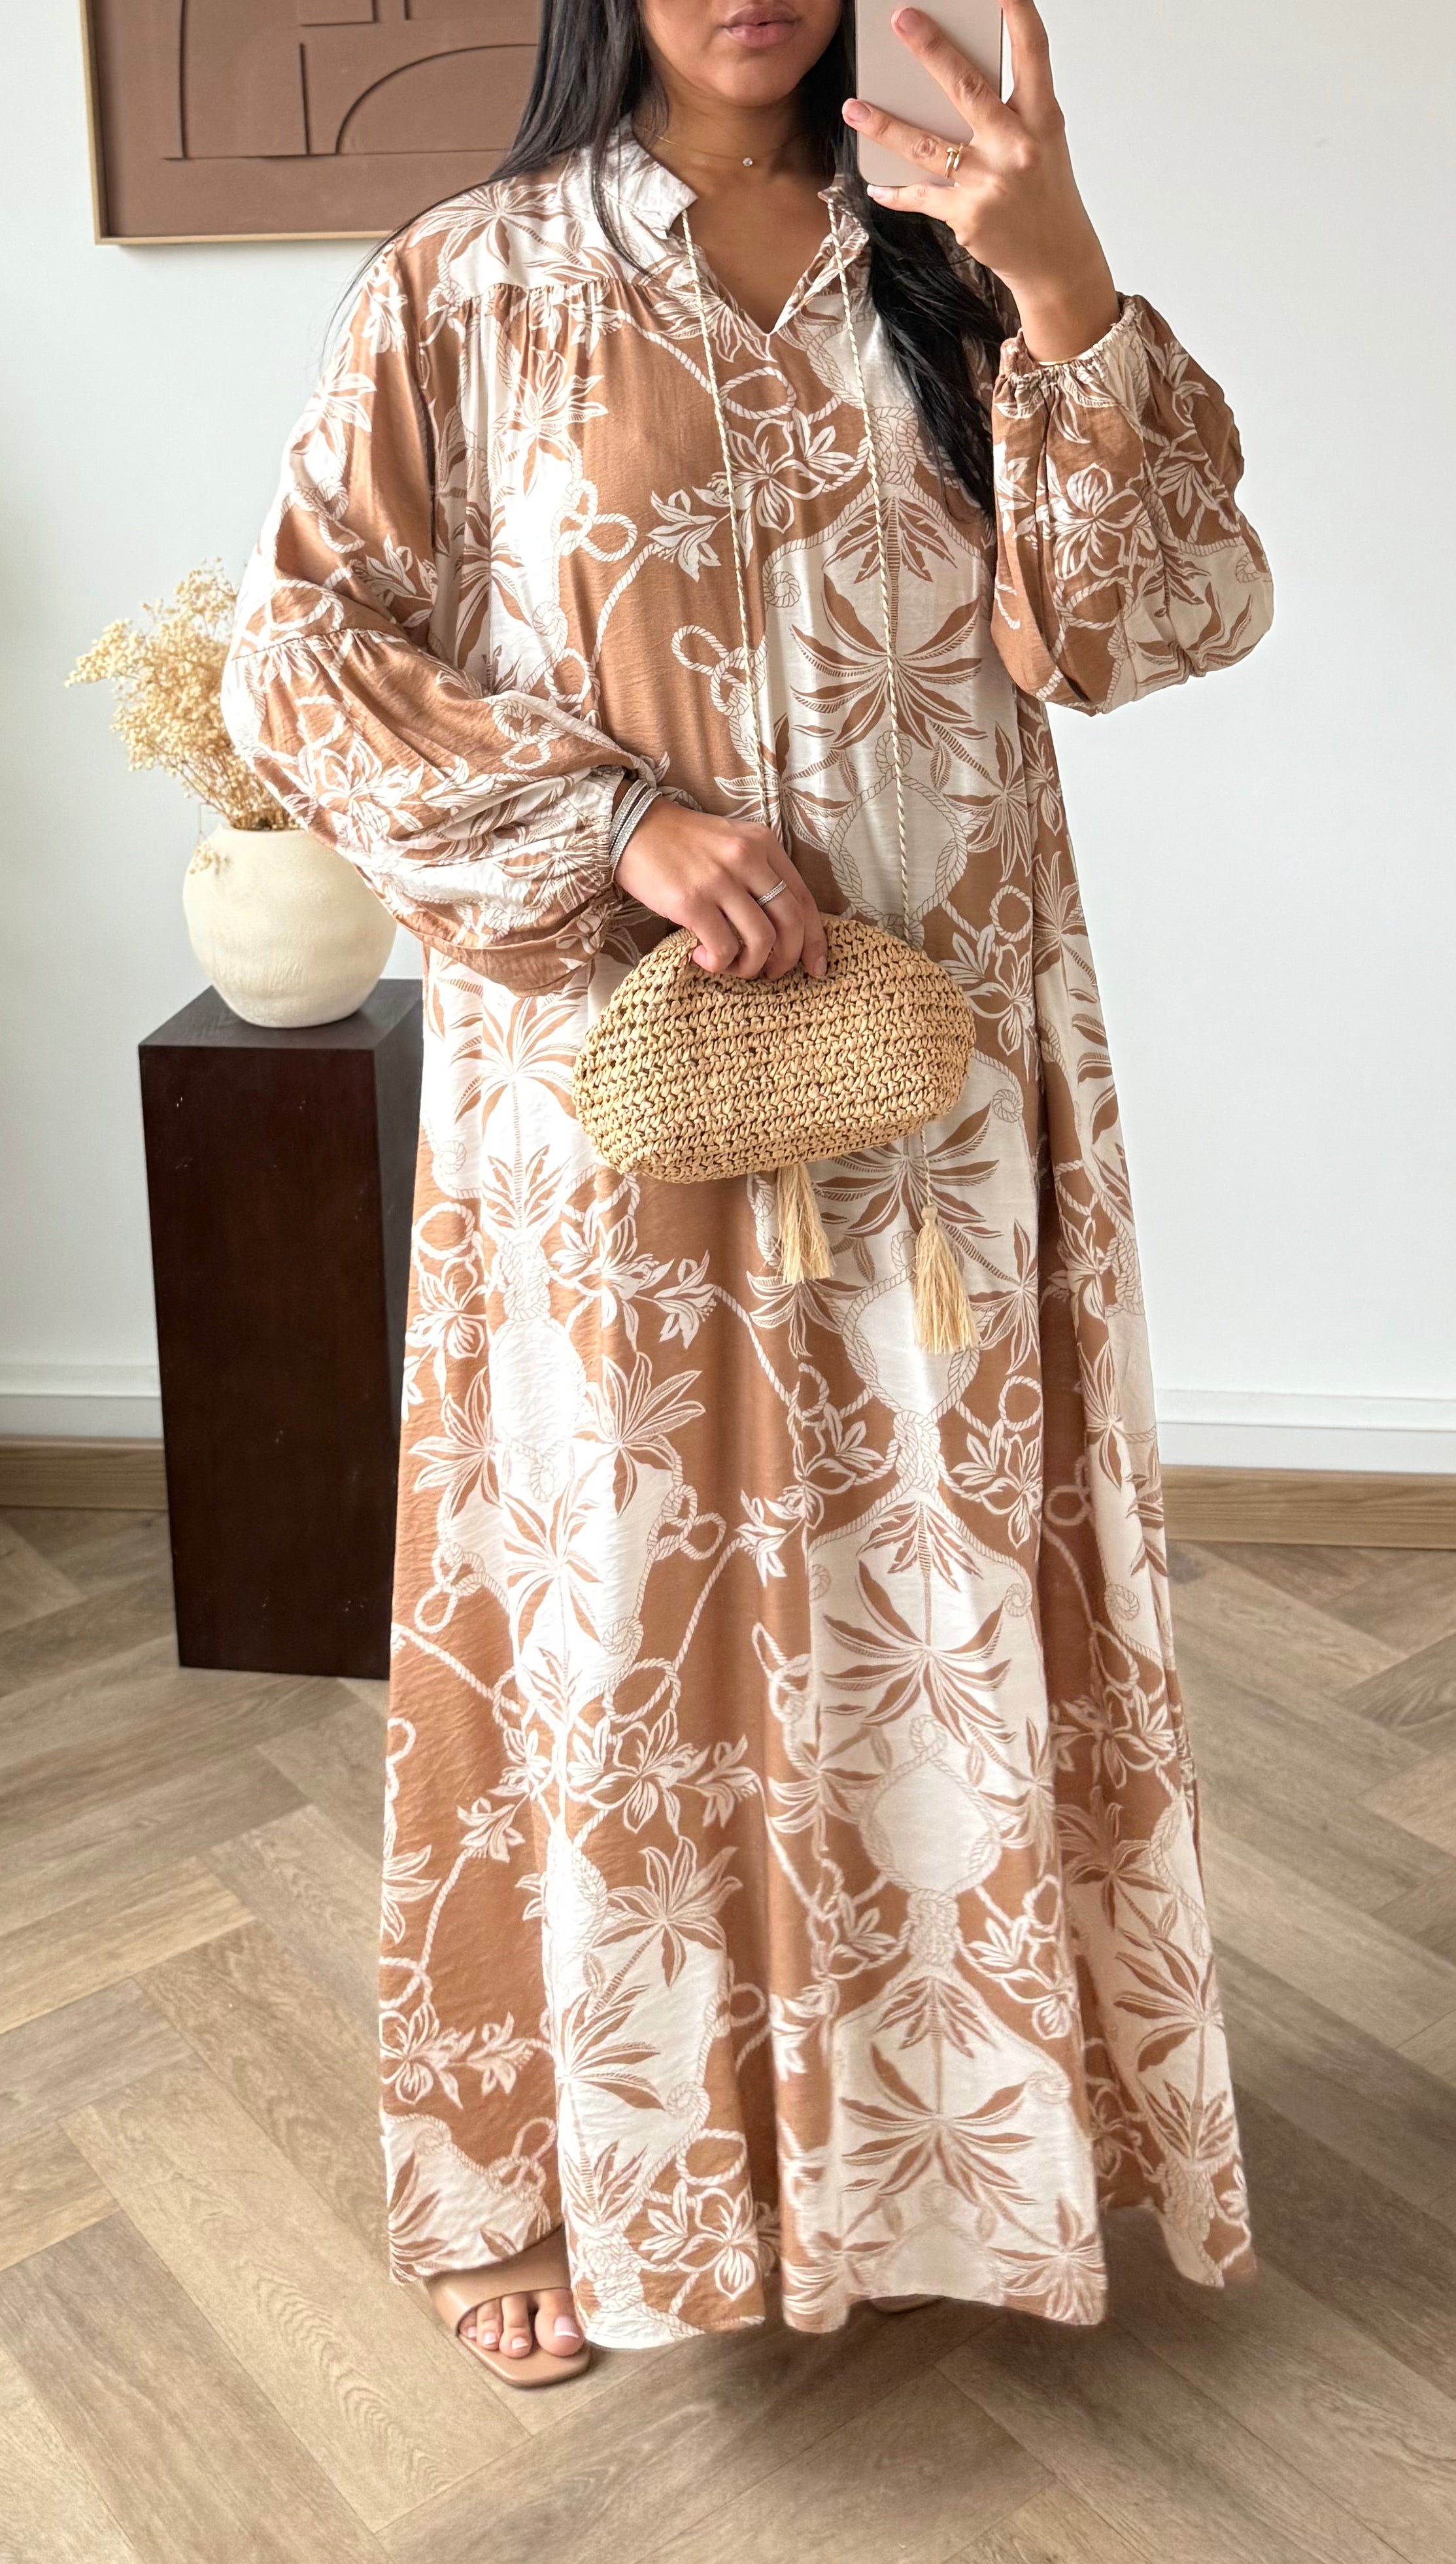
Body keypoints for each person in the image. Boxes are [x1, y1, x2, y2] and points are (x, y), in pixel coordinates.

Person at [224, 0, 1271, 2389]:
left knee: (929, 1591)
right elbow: (301, 650)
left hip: (935, 1078)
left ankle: (948, 2162)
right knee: (609, 1611)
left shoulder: (947, 254)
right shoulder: (466, 283)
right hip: (616, 1092)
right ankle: (553, 2172)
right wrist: (613, 822)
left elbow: (1159, 624)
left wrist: (1058, 270)